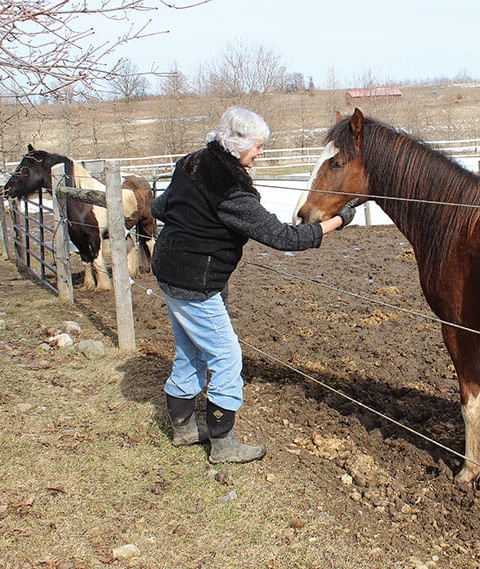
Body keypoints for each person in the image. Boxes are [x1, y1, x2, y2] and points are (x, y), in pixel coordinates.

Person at [150, 106, 356, 464]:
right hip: (196, 282)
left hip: (169, 271)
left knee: (190, 351)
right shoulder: (231, 191)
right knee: (227, 357)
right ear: (237, 143)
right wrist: (338, 220)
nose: (261, 153)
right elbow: (285, 237)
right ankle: (223, 443)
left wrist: (190, 220)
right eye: (258, 146)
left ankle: (183, 428)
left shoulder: (192, 162)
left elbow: (159, 207)